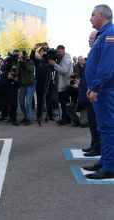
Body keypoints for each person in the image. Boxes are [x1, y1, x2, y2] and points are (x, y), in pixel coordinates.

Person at [84, 4, 114, 179]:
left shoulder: (109, 34)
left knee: (107, 127)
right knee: (103, 127)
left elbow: (107, 65)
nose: (90, 18)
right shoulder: (103, 34)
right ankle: (104, 161)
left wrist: (95, 87)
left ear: (102, 15)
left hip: (105, 89)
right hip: (101, 89)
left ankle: (110, 166)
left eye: (93, 14)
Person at [49, 45, 73, 125]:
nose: (58, 53)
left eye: (59, 52)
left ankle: (66, 119)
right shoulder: (62, 58)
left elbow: (64, 71)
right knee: (63, 102)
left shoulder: (65, 59)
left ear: (63, 50)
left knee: (64, 103)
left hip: (64, 84)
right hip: (63, 83)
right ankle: (66, 118)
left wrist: (54, 64)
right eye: (57, 52)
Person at [18, 51, 35, 125]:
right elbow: (17, 71)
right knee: (21, 102)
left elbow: (31, 69)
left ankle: (28, 118)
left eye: (24, 56)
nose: (23, 58)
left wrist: (25, 62)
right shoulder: (19, 63)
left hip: (30, 84)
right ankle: (26, 116)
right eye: (22, 56)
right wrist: (19, 62)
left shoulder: (30, 62)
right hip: (22, 85)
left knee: (28, 102)